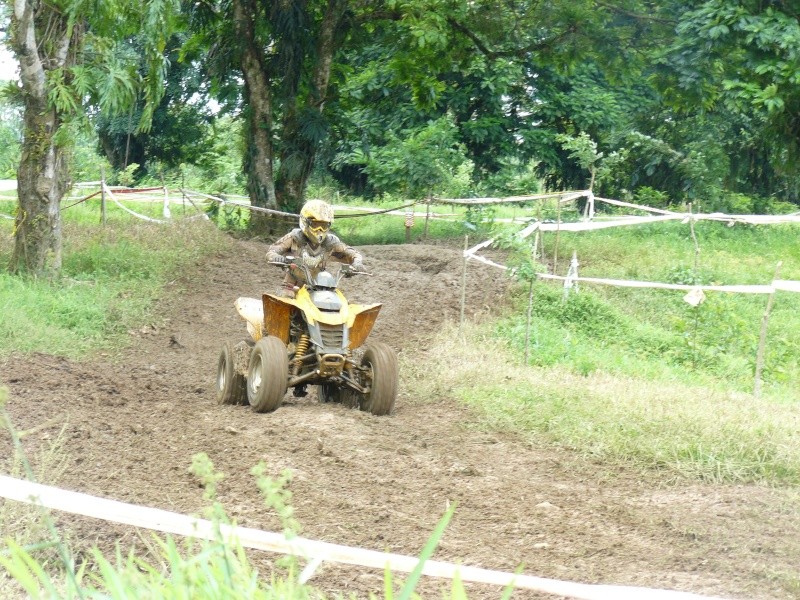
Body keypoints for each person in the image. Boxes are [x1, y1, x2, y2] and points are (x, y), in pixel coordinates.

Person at [266, 199, 364, 298]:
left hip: (318, 286)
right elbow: (272, 250)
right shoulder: (294, 238)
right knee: (286, 297)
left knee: (335, 301)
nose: (320, 230)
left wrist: (357, 263)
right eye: (315, 224)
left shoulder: (330, 243)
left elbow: (352, 253)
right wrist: (276, 258)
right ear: (305, 221)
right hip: (291, 285)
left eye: (324, 225)